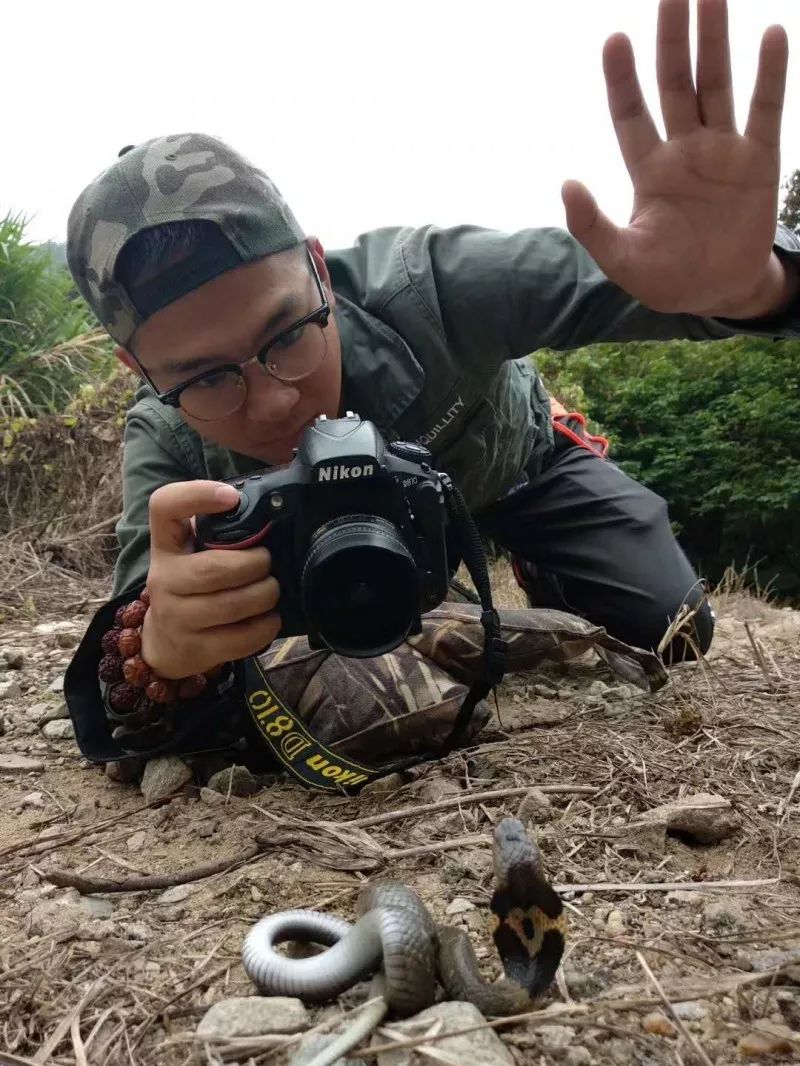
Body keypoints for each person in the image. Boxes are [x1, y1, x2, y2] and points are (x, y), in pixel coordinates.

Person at [67, 0, 799, 698]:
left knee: (671, 627)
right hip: (344, 538)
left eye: (288, 334)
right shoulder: (165, 438)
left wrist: (754, 284)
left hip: (518, 467)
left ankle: (541, 570)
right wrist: (162, 653)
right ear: (141, 373)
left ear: (319, 269)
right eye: (206, 379)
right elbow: (129, 644)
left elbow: (656, 279)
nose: (275, 400)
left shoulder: (435, 287)